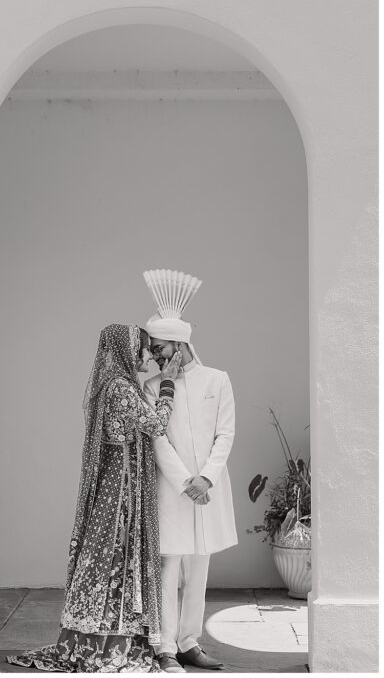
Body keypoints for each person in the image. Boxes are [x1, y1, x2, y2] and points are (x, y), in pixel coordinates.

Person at [8, 324, 182, 672]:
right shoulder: (121, 388)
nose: (148, 355)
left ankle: (99, 637)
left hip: (117, 485)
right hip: (121, 490)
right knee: (115, 556)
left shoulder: (113, 384)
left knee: (109, 555)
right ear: (128, 351)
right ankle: (106, 644)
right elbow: (157, 423)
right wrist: (169, 382)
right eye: (145, 349)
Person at [141, 270, 237, 673]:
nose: (155, 356)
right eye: (153, 348)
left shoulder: (218, 379)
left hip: (209, 489)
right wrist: (185, 481)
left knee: (200, 568)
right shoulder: (150, 386)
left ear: (180, 345)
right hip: (172, 489)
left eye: (160, 348)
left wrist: (207, 478)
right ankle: (163, 647)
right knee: (169, 565)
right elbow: (157, 439)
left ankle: (189, 642)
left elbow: (226, 433)